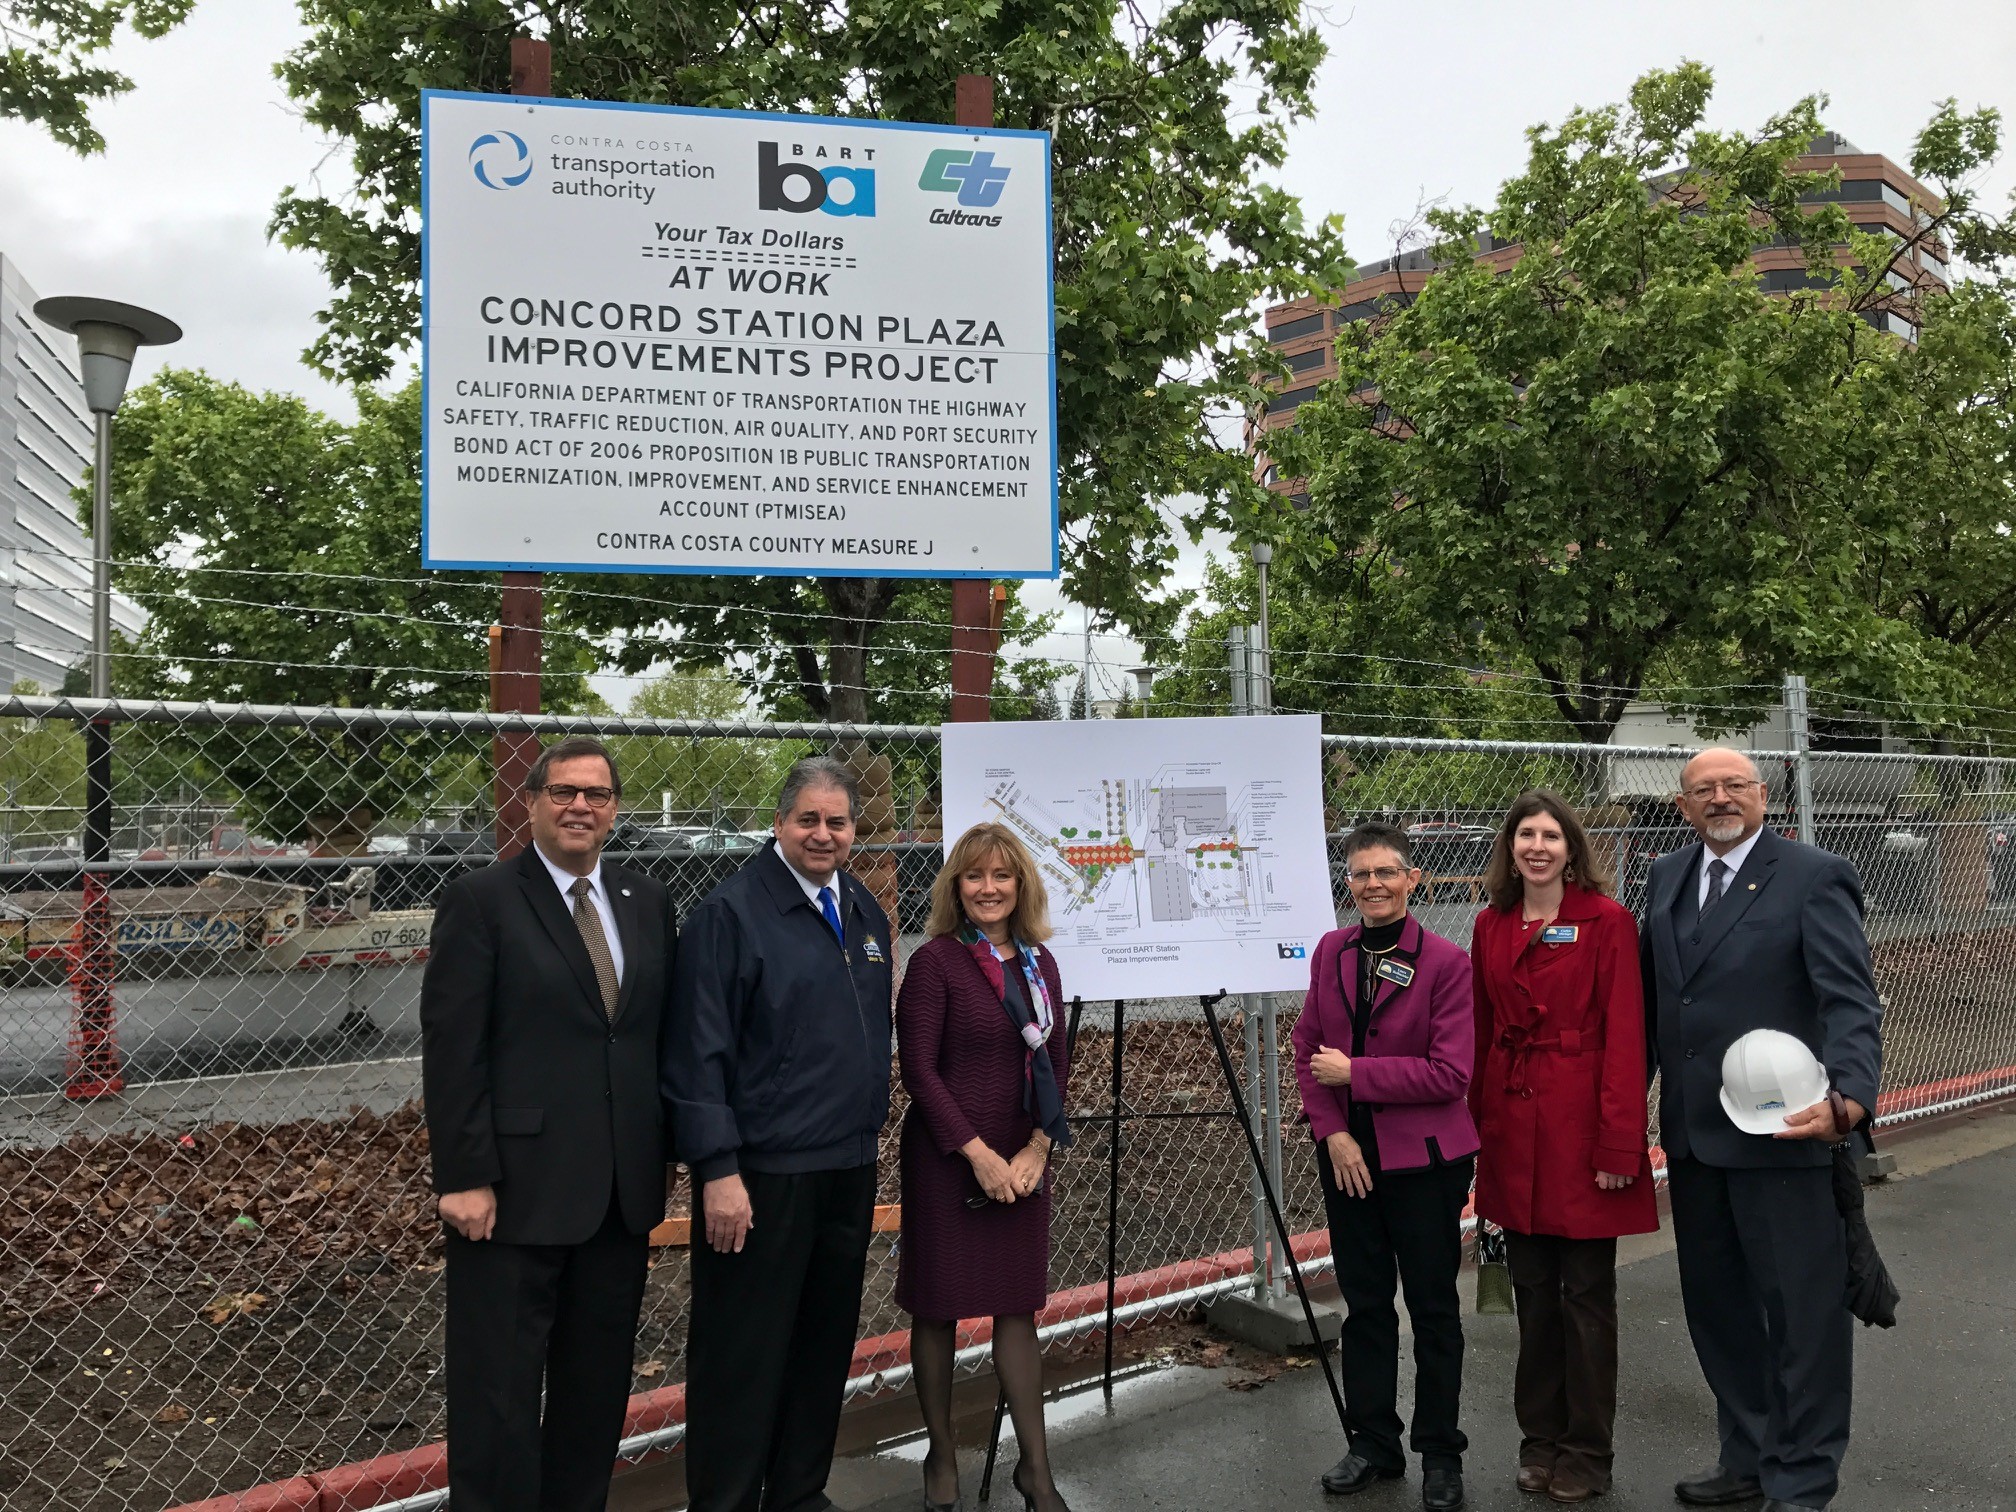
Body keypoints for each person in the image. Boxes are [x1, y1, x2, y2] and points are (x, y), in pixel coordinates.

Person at [420, 736, 677, 1512]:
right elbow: (453, 1049)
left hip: (619, 1194)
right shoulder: (482, 900)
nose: (580, 807)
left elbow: (647, 1040)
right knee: (496, 1392)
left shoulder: (647, 901)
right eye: (563, 792)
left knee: (594, 1388)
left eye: (596, 795)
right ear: (531, 803)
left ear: (614, 810)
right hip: (514, 1193)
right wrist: (463, 1175)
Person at [1642, 748, 1883, 1512]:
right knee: (1720, 1312)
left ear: (1762, 796)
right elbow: (1661, 1008)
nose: (1719, 798)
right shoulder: (1666, 876)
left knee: (1803, 1319)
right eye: (1703, 790)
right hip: (1693, 1140)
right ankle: (1747, 1457)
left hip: (1787, 1133)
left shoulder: (1814, 875)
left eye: (1734, 786)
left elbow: (1851, 999)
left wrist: (1849, 1098)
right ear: (1682, 806)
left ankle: (1802, 1479)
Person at [666, 755, 896, 1512]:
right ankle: (726, 1500)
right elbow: (697, 1053)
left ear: (853, 829)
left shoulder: (862, 910)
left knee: (821, 1345)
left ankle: (798, 1493)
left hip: (847, 1162)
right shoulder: (730, 915)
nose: (823, 834)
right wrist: (718, 1169)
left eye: (837, 822)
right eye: (809, 820)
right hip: (760, 1175)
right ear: (779, 823)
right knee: (744, 1354)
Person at [1469, 791, 1657, 1504]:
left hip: (1583, 1128)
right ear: (1510, 848)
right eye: (1526, 835)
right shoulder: (1490, 924)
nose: (1538, 846)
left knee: (1586, 1296)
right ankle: (1538, 1440)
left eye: (1551, 835)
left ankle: (1587, 1450)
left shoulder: (1607, 922)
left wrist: (1619, 1146)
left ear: (1571, 849)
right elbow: (1483, 1035)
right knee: (1532, 1295)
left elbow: (1625, 1038)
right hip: (1513, 1129)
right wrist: (1473, 1133)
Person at [1291, 820, 1478, 1512]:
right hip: (1349, 1159)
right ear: (1349, 883)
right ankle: (1372, 1442)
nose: (1373, 885)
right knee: (1365, 1305)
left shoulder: (1447, 963)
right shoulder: (1331, 952)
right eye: (1361, 875)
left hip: (1424, 1162)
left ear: (1413, 880)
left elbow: (1449, 1074)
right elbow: (1310, 1047)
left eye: (1386, 873)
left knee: (1432, 1308)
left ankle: (1439, 1452)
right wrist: (1332, 1132)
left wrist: (1357, 1074)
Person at [897, 822, 1074, 1512]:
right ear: (956, 887)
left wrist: (1035, 1149)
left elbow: (1056, 1063)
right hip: (950, 1155)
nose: (989, 888)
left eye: (1002, 876)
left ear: (1021, 885)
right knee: (938, 1309)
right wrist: (978, 1156)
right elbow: (919, 1070)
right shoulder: (936, 962)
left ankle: (1036, 1472)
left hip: (1023, 1153)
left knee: (1017, 1309)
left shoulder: (1042, 965)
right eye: (975, 876)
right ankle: (940, 1458)